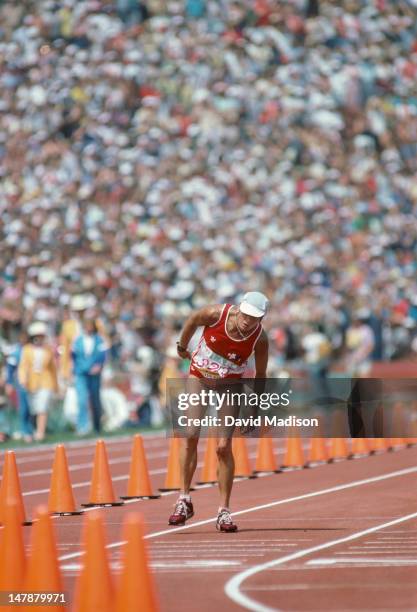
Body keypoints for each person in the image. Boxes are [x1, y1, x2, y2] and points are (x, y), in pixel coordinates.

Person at [168, 292, 269, 533]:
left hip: (230, 385)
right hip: (200, 377)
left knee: (223, 446)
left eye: (254, 318)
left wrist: (254, 409)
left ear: (262, 318)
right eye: (245, 315)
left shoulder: (259, 339)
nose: (247, 321)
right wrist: (182, 346)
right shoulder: (216, 314)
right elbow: (193, 319)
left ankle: (224, 511)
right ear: (239, 309)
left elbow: (261, 375)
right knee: (191, 434)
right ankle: (184, 500)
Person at [18, 322, 58, 442]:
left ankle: (40, 433)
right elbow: (23, 366)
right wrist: (23, 379)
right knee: (33, 409)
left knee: (42, 407)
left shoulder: (48, 350)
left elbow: (52, 369)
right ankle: (31, 431)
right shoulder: (26, 350)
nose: (40, 337)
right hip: (31, 384)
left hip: (46, 383)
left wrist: (56, 385)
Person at [71, 318, 107, 435]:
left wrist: (98, 366)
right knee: (82, 400)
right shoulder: (78, 340)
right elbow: (74, 356)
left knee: (95, 400)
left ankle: (97, 426)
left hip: (94, 374)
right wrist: (75, 370)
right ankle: (83, 427)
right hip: (81, 373)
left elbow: (102, 355)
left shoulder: (99, 340)